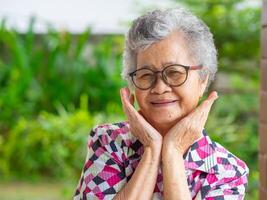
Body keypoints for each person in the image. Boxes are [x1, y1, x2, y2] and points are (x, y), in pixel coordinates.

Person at [74, 7, 249, 200]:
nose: (159, 88)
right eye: (146, 75)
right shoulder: (109, 143)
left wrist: (173, 151)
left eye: (174, 72)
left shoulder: (226, 171)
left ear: (202, 80)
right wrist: (151, 148)